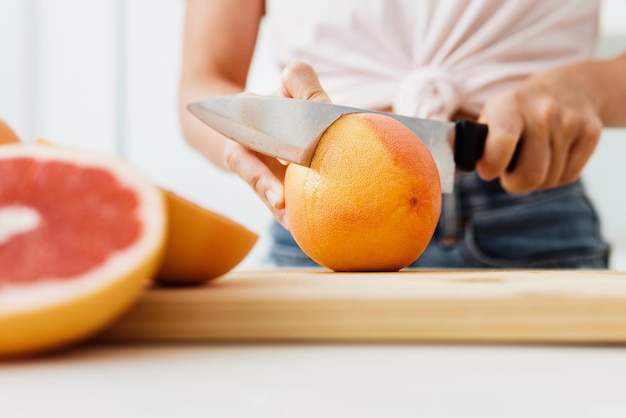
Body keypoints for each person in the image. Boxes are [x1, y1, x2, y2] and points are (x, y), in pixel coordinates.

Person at [178, 0, 626, 269]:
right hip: (320, 224)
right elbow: (201, 85)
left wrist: (591, 88)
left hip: (531, 215)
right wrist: (255, 133)